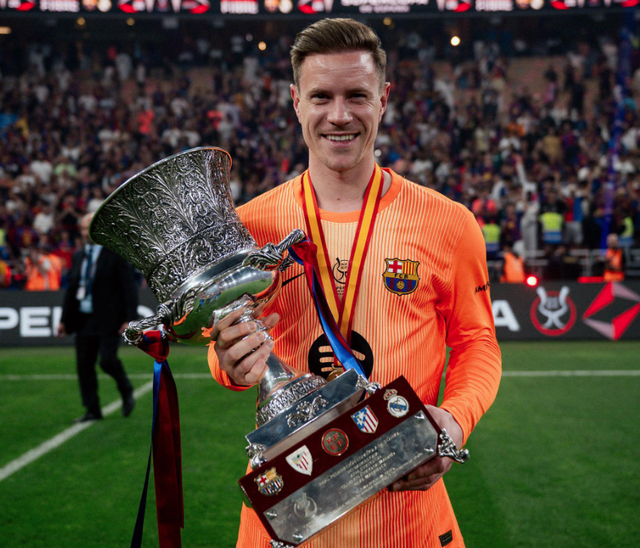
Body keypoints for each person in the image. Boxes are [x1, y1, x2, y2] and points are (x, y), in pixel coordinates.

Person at [208, 18, 501, 548]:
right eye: (321, 96)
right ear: (296, 101)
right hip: (286, 514)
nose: (339, 115)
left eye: (357, 96)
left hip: (407, 520)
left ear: (383, 99)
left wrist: (455, 421)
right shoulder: (248, 227)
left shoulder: (448, 223)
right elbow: (226, 350)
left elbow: (477, 341)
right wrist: (227, 363)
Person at [58, 212, 138, 423]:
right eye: (83, 229)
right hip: (83, 319)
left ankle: (125, 388)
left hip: (109, 319)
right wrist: (64, 320)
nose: (86, 233)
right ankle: (92, 409)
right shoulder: (79, 256)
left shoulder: (115, 253)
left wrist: (129, 319)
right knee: (84, 366)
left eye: (89, 228)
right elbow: (72, 289)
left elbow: (129, 288)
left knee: (107, 361)